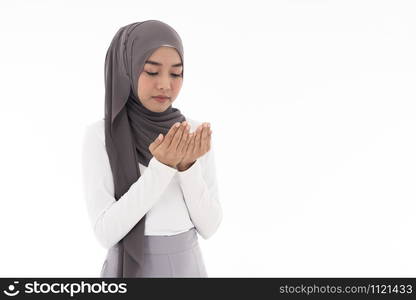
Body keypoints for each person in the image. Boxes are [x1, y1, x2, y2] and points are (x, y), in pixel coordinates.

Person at [81, 20, 222, 278]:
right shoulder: (101, 136)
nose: (165, 85)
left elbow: (210, 226)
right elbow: (105, 232)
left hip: (187, 267)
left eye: (176, 73)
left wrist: (187, 167)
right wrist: (163, 167)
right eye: (152, 71)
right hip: (130, 270)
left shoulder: (191, 133)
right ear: (127, 70)